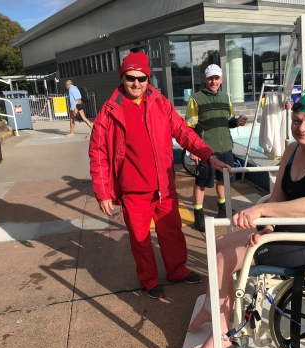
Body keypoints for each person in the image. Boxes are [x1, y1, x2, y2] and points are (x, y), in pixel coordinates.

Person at [187, 87, 305, 348]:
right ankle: (210, 308)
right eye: (297, 121)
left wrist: (264, 213)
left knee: (224, 259)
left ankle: (224, 327)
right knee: (217, 246)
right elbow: (278, 196)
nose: (302, 128)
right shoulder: (292, 150)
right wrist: (265, 224)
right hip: (284, 230)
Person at [88, 52, 232, 299]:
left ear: (148, 78)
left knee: (172, 232)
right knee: (141, 239)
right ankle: (148, 280)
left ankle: (177, 270)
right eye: (130, 78)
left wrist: (209, 156)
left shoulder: (159, 102)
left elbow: (184, 133)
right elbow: (98, 152)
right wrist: (103, 193)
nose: (136, 83)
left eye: (142, 78)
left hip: (164, 187)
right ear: (122, 78)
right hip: (133, 190)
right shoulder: (109, 111)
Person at [185, 64, 248, 232]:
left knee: (223, 179)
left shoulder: (225, 97)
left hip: (225, 147)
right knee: (201, 183)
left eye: (217, 78)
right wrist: (193, 150)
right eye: (210, 78)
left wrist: (237, 122)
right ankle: (198, 215)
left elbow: (228, 121)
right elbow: (189, 128)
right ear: (205, 79)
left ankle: (223, 210)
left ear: (221, 79)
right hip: (206, 151)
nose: (213, 81)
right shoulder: (195, 99)